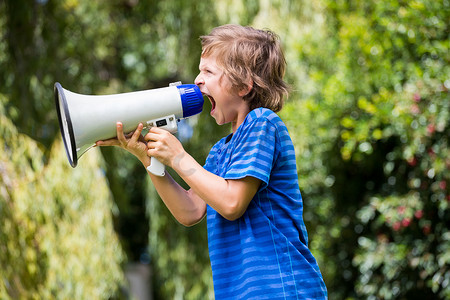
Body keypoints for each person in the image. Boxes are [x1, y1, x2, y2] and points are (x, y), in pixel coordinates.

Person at [96, 24, 328, 299]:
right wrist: (147, 157)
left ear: (244, 85)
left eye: (208, 71)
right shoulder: (220, 152)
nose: (197, 79)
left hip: (282, 288)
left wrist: (179, 157)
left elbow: (231, 203)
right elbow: (191, 211)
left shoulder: (263, 123)